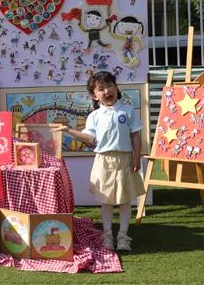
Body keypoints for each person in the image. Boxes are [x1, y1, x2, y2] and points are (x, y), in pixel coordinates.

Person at [51, 71, 144, 251]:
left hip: (124, 159)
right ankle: (108, 235)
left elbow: (135, 136)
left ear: (116, 88)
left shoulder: (128, 110)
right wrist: (69, 130)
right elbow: (89, 138)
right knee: (106, 200)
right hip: (103, 161)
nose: (107, 91)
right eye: (101, 89)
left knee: (125, 201)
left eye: (110, 86)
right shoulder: (94, 116)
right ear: (94, 95)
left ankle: (123, 237)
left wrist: (136, 157)